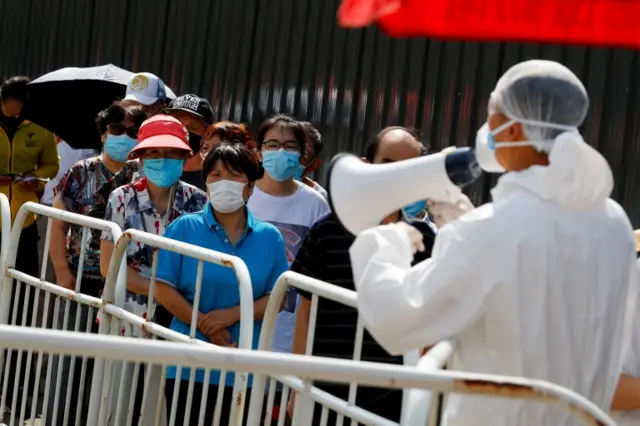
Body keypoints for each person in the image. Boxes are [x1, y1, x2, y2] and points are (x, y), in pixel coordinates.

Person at [349, 60, 638, 426]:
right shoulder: (613, 221)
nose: (486, 130)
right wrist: (466, 229)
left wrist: (385, 243)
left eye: (493, 120)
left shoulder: (493, 229)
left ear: (515, 129)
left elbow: (398, 318)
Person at [288, 127, 437, 425]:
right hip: (323, 390)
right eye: (388, 164)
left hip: (390, 396)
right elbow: (305, 312)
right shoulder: (326, 230)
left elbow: (428, 324)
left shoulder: (424, 239)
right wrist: (296, 384)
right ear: (366, 166)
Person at [154, 141, 288, 425]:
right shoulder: (183, 228)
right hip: (190, 365)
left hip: (246, 367)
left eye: (234, 174)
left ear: (250, 186)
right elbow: (163, 288)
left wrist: (230, 315)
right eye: (215, 175)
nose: (223, 181)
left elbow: (277, 297)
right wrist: (204, 323)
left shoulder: (270, 237)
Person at [47, 101, 147, 426]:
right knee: (70, 365)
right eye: (116, 130)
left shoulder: (145, 179)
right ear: (104, 133)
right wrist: (62, 272)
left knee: (115, 374)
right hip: (82, 284)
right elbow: (58, 223)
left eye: (132, 132)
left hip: (127, 291)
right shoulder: (81, 172)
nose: (123, 137)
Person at [100, 114, 208, 328]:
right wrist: (163, 292)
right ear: (140, 159)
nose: (163, 159)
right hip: (125, 317)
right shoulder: (121, 198)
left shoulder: (199, 201)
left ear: (185, 159)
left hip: (179, 320)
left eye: (171, 153)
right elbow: (108, 265)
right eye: (154, 152)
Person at [247, 114, 330, 357]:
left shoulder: (315, 204)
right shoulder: (242, 193)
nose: (281, 152)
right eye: (272, 144)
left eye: (290, 146)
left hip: (288, 335)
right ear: (259, 151)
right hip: (240, 328)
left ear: (301, 155)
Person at [0, 75, 59, 410]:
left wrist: (35, 180)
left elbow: (50, 165)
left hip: (24, 220)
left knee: (20, 303)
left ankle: (15, 387)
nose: (16, 112)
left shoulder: (40, 126)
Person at [164, 94, 215, 190]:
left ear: (207, 133)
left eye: (192, 128)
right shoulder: (154, 171)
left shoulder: (215, 179)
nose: (183, 132)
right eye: (176, 125)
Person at [296, 122, 327, 199]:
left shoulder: (320, 199)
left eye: (303, 154)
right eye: (288, 148)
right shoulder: (262, 190)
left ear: (314, 164)